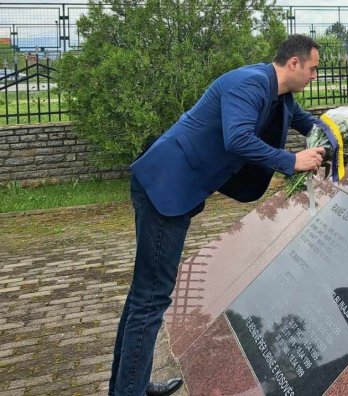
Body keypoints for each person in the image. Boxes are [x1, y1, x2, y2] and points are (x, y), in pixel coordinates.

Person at [109, 35, 327, 396]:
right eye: (313, 69)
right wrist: (291, 160)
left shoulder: (282, 97)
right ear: (293, 64)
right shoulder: (250, 83)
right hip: (164, 188)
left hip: (175, 189)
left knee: (144, 295)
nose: (314, 76)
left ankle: (129, 384)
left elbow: (313, 127)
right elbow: (237, 138)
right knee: (151, 297)